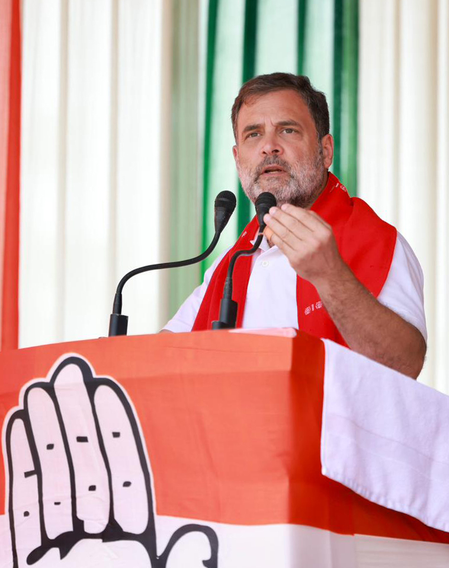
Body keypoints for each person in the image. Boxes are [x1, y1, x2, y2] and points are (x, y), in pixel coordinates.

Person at [163, 73, 426, 379]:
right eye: (253, 134)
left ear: (325, 151)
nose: (269, 147)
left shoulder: (377, 241)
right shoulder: (229, 265)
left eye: (287, 130)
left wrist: (330, 275)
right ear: (237, 159)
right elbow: (161, 357)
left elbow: (404, 364)